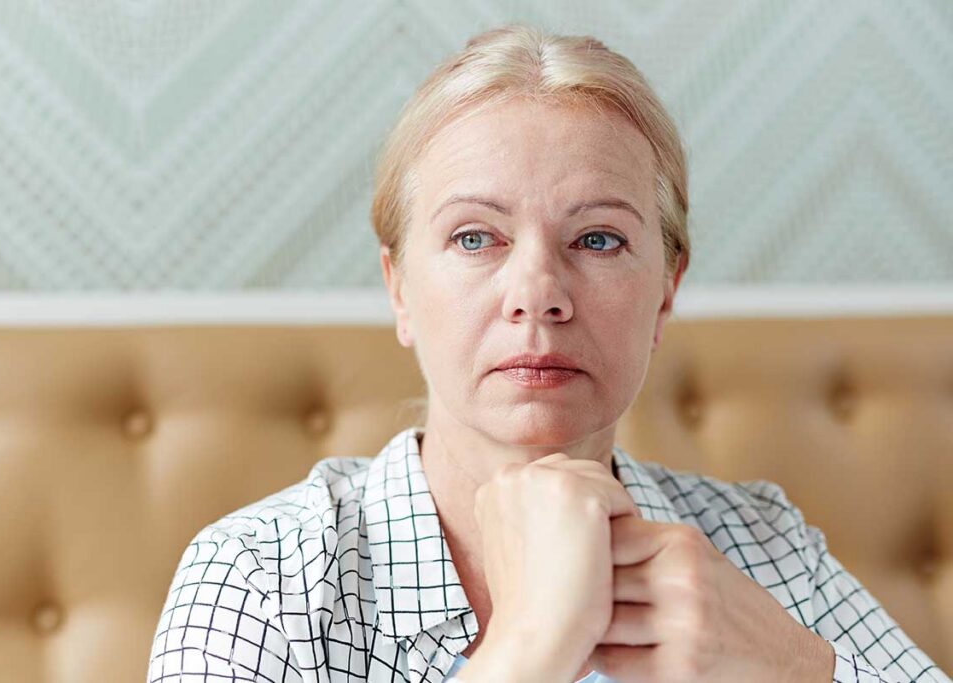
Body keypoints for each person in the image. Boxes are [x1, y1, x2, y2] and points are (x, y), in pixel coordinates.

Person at [147, 24, 950, 683]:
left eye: (597, 239)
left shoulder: (765, 546)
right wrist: (530, 644)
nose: (538, 293)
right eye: (475, 238)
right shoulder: (262, 576)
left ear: (665, 291)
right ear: (400, 291)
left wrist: (800, 667)